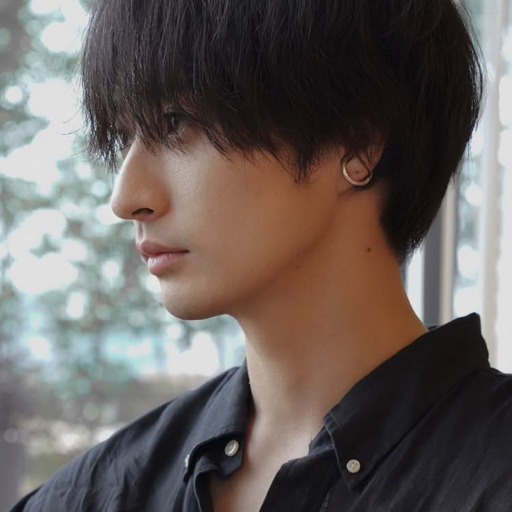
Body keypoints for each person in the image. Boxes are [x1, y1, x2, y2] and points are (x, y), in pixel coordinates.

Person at [10, 0, 512, 510]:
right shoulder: (99, 492)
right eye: (124, 136)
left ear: (358, 144)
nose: (126, 198)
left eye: (175, 121)